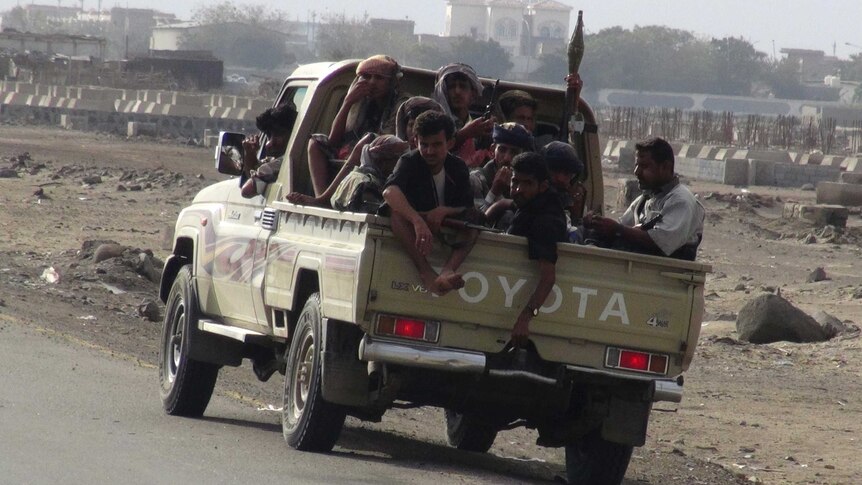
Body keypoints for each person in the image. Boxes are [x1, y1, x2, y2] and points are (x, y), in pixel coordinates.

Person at [382, 110, 477, 296]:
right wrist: (417, 220)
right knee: (394, 212)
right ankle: (426, 272)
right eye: (424, 145)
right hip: (416, 222)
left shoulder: (457, 167)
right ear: (415, 141)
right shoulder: (409, 161)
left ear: (450, 143)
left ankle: (448, 270)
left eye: (437, 145)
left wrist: (444, 211)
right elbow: (390, 192)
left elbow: (466, 206)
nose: (429, 151)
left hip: (448, 225)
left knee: (475, 220)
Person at [584, 136, 704, 260]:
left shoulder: (681, 201)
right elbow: (623, 226)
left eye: (644, 166)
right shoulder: (646, 199)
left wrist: (617, 229)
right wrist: (598, 224)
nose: (636, 172)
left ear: (665, 167)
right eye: (637, 165)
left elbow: (660, 242)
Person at [307, 55, 403, 196]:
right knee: (315, 142)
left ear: (392, 82)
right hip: (351, 157)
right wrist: (348, 103)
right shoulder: (358, 103)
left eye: (379, 78)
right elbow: (334, 140)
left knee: (366, 141)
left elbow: (389, 141)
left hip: (382, 158)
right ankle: (321, 196)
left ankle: (325, 198)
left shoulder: (401, 104)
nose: (371, 82)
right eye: (366, 76)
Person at [505, 152, 567, 347]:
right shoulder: (531, 205)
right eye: (515, 182)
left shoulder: (544, 222)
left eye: (527, 184)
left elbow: (548, 277)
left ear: (543, 186)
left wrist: (525, 318)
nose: (517, 189)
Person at [286, 134, 408, 212]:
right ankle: (322, 200)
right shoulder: (366, 184)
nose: (400, 164)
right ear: (381, 162)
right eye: (396, 159)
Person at [432, 63, 495, 167]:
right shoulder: (433, 120)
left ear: (473, 94)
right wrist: (467, 133)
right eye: (452, 87)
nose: (457, 92)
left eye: (463, 86)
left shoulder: (478, 125)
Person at [470, 122, 534, 210]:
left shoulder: (528, 182)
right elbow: (475, 220)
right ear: (492, 150)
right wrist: (494, 192)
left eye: (514, 152)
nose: (507, 158)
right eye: (502, 150)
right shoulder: (477, 179)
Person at [239, 102, 298, 198]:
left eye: (279, 134)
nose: (270, 143)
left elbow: (247, 191)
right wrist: (250, 154)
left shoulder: (280, 164)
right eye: (269, 136)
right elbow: (254, 171)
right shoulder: (273, 163)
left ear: (294, 134)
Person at [540, 141, 587, 242]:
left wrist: (576, 214)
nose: (560, 178)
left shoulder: (570, 200)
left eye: (567, 173)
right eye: (555, 170)